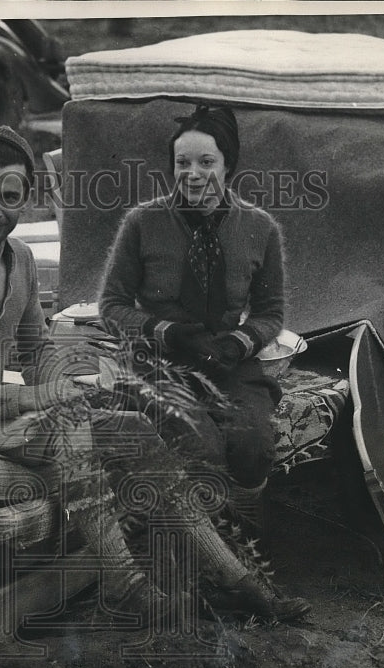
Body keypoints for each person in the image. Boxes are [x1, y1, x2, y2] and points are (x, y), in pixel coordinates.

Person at [0, 125, 310, 625]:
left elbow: (35, 349)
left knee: (133, 427)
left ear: (28, 198)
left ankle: (236, 578)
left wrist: (71, 386)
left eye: (9, 195)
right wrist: (35, 399)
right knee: (67, 428)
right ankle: (126, 584)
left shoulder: (18, 258)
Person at [99, 103, 286, 525]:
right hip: (158, 362)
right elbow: (111, 308)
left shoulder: (259, 228)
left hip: (226, 360)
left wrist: (239, 342)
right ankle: (202, 550)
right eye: (182, 163)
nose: (193, 174)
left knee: (253, 443)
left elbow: (271, 311)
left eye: (206, 162)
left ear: (228, 165)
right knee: (201, 444)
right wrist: (166, 331)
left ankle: (243, 536)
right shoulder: (142, 223)